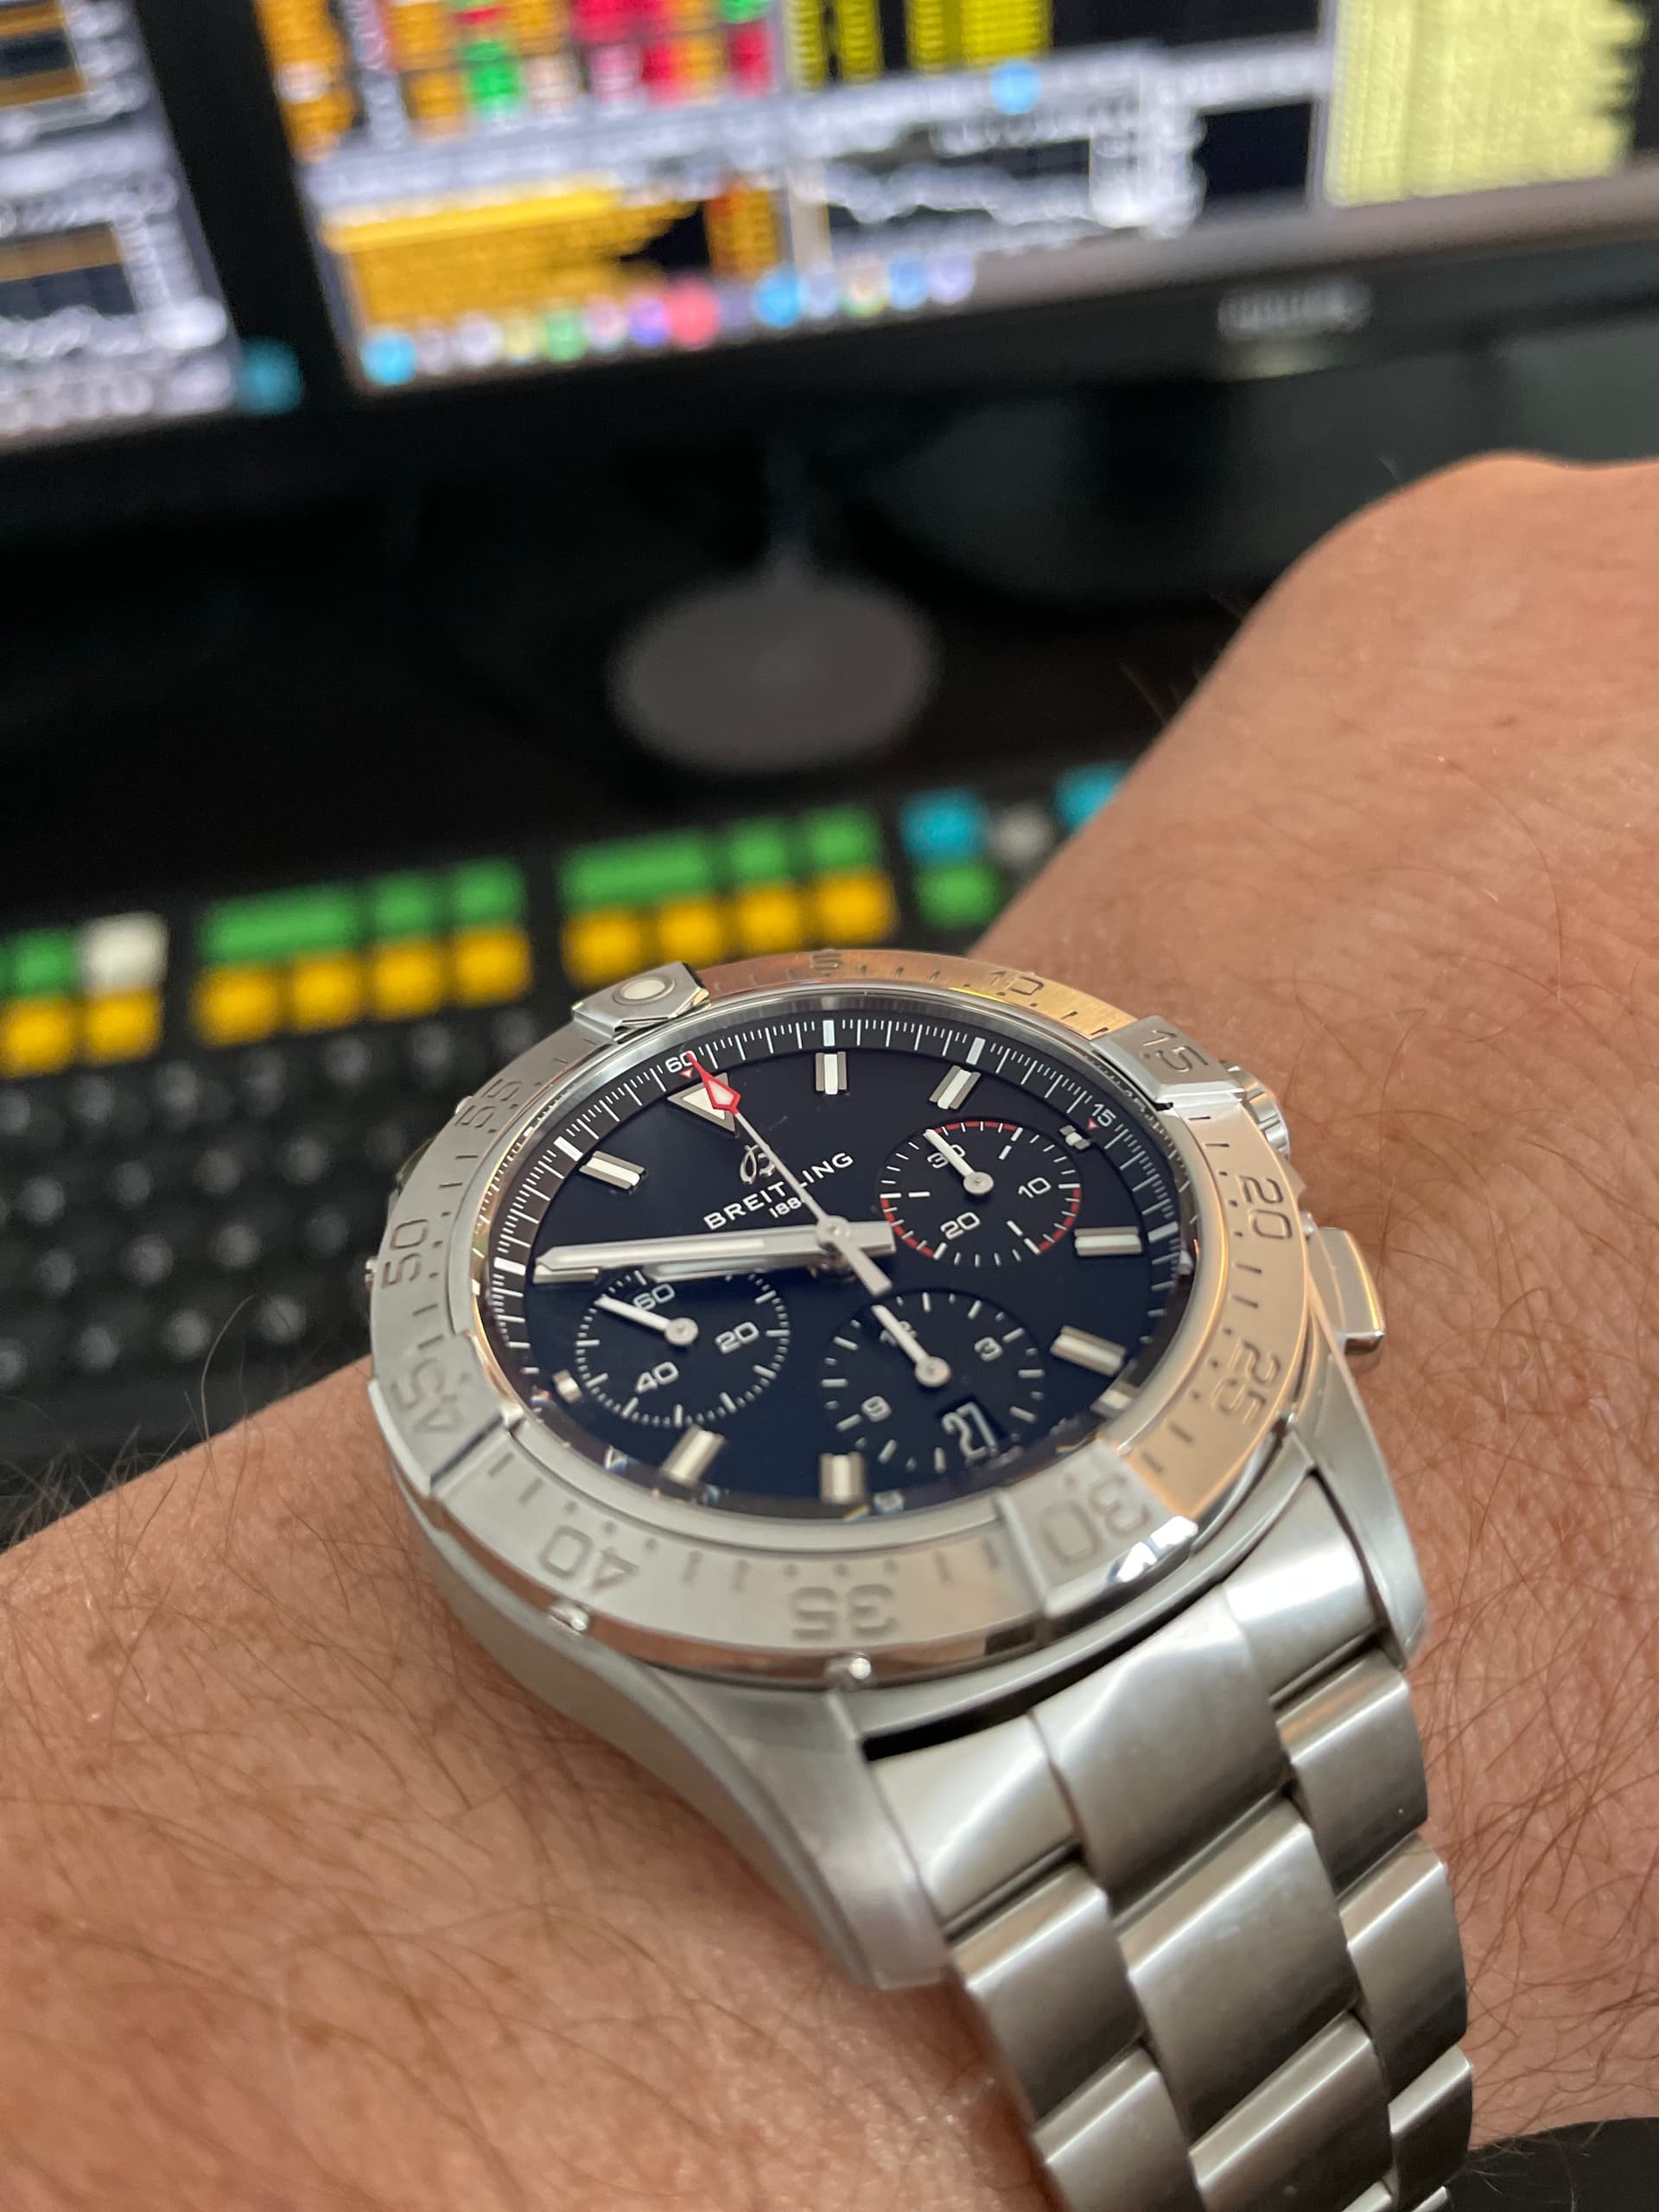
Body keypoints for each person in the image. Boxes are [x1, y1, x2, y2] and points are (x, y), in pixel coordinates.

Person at [3, 453, 1658, 2209]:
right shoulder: (849, 1812)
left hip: (1211, 1511)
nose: (836, 1245)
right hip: (868, 1701)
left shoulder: (1156, 1245)